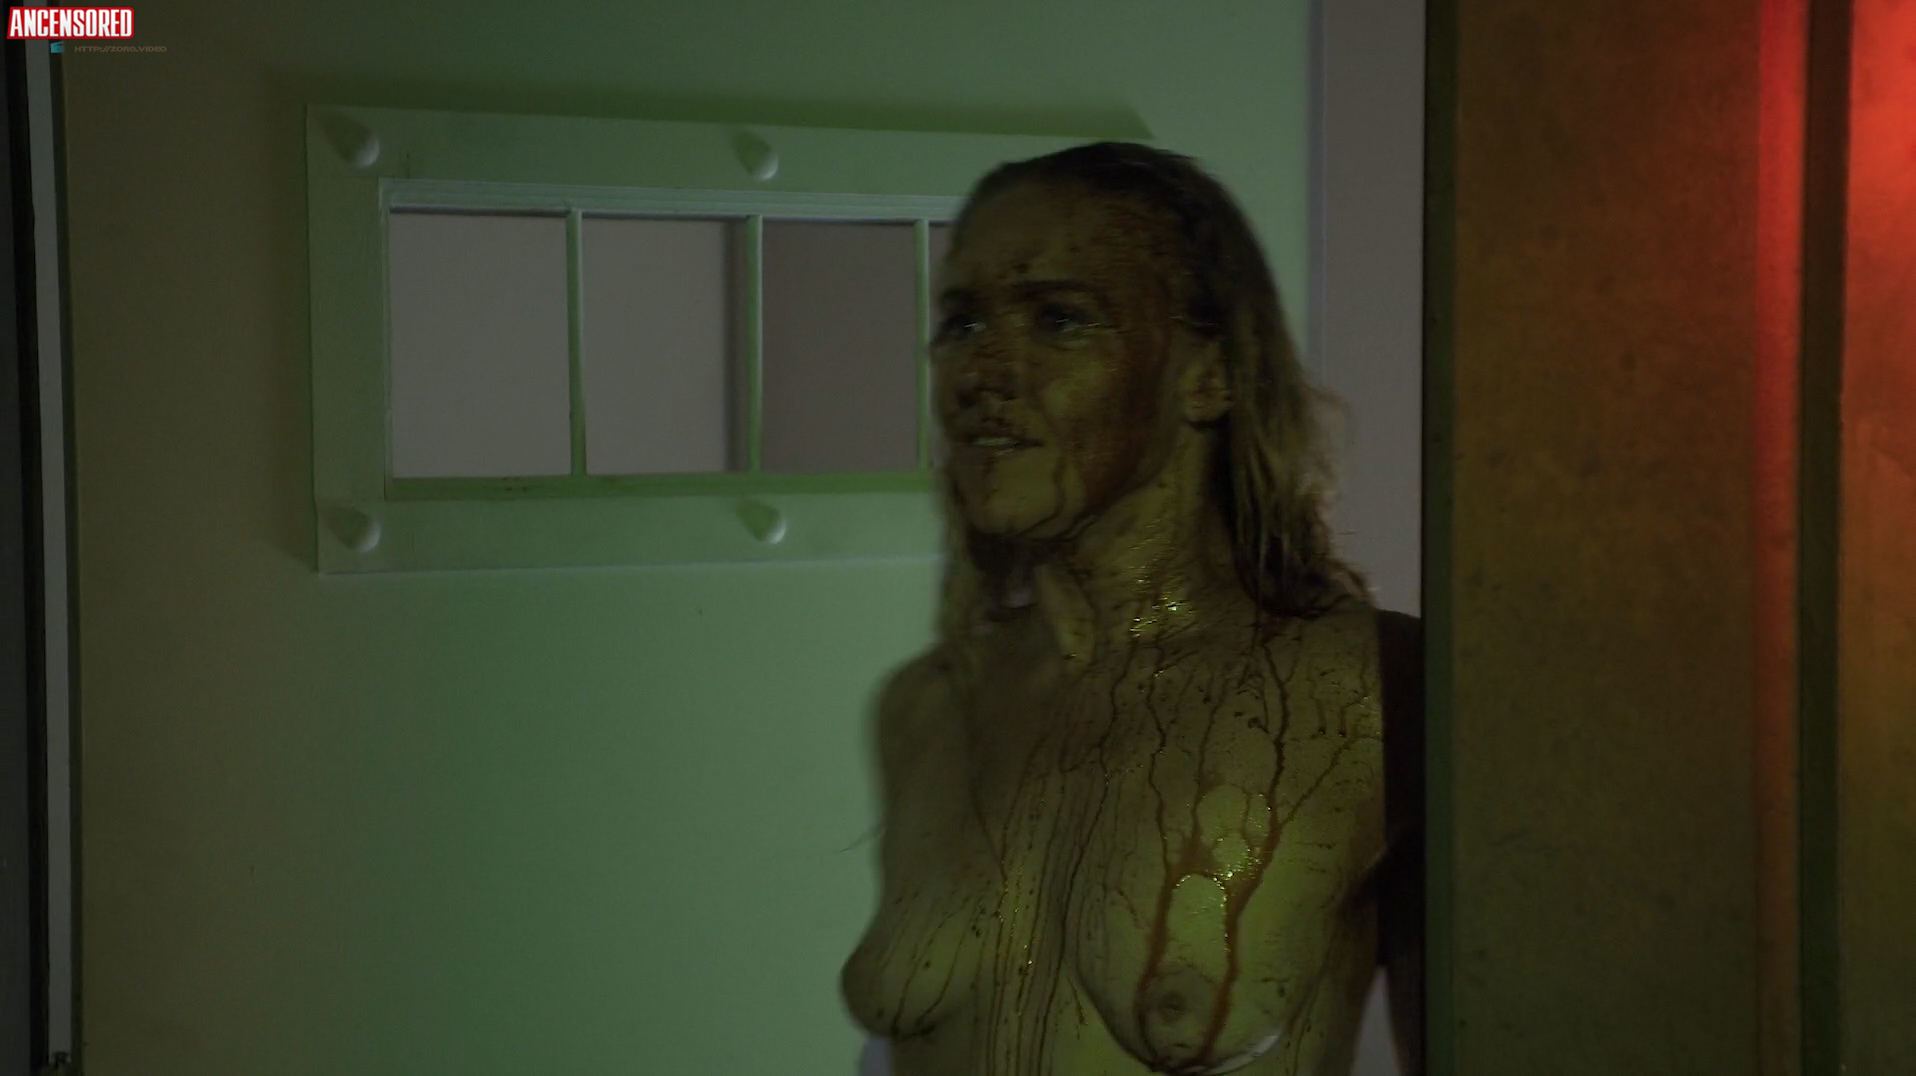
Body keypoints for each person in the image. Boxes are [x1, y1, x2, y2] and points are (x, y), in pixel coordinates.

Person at [841, 142, 1423, 1076]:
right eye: (961, 322)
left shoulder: (1369, 692)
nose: (984, 370)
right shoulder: (928, 709)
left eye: (1060, 320)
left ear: (1208, 374)